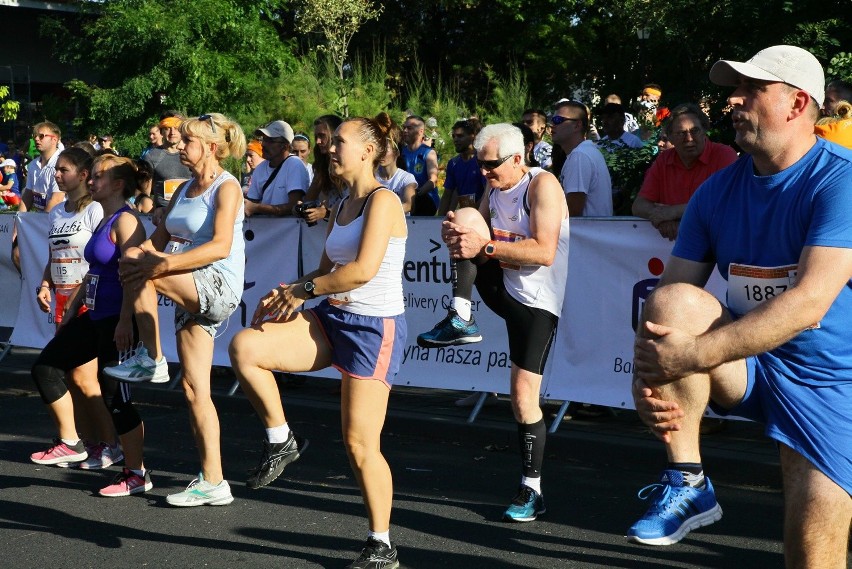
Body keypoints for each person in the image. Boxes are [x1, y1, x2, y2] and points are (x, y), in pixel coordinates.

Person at [628, 46, 852, 568]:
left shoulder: (840, 180)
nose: (733, 100)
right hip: (754, 365)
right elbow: (667, 306)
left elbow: (808, 304)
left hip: (833, 380)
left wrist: (690, 356)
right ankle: (688, 481)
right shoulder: (715, 191)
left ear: (798, 104)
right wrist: (647, 381)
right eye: (734, 89)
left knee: (812, 550)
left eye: (750, 90)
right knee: (674, 301)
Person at [229, 112, 407, 568]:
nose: (329, 149)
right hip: (333, 317)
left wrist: (300, 292)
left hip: (373, 329)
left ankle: (380, 543)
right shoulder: (345, 201)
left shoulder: (383, 201)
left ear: (368, 150)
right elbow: (328, 271)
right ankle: (281, 439)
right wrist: (290, 288)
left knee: (360, 445)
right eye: (330, 144)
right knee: (245, 347)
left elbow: (362, 272)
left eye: (339, 142)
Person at [418, 123, 570, 523]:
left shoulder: (543, 186)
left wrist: (481, 244)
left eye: (491, 165)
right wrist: (456, 233)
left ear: (518, 159)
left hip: (536, 303)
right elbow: (474, 232)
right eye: (481, 164)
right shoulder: (494, 186)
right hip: (500, 284)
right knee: (465, 215)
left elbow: (545, 251)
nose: (484, 172)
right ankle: (460, 317)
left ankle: (531, 489)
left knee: (523, 398)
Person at [103, 113, 247, 507]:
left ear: (211, 148)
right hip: (189, 286)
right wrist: (136, 256)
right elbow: (158, 242)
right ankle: (214, 481)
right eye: (180, 140)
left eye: (188, 142)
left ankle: (152, 358)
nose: (180, 146)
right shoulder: (184, 188)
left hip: (217, 284)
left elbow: (220, 246)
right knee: (194, 389)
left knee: (145, 268)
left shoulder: (227, 186)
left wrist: (157, 264)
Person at [30, 154, 152, 496]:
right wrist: (71, 308)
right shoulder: (103, 218)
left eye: (98, 177)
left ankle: (136, 473)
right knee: (47, 368)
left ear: (117, 184)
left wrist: (127, 320)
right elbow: (94, 270)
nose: (92, 181)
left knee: (117, 399)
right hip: (92, 316)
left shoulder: (127, 221)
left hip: (118, 321)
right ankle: (72, 441)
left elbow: (133, 277)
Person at [30, 147, 119, 469]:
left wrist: (79, 297)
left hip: (88, 299)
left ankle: (110, 444)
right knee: (70, 376)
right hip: (61, 298)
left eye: (63, 170)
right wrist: (45, 285)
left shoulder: (95, 210)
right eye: (56, 170)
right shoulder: (56, 212)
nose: (57, 174)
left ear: (83, 175)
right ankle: (92, 443)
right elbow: (53, 255)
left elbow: (100, 255)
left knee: (84, 379)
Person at [632, 103, 738, 240]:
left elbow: (729, 204)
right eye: (681, 133)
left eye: (695, 131)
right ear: (670, 138)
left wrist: (675, 212)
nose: (689, 139)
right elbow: (639, 206)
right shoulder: (664, 160)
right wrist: (662, 218)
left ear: (705, 131)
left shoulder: (724, 155)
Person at [551, 100, 613, 216]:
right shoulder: (586, 151)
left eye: (558, 120)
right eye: (552, 120)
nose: (552, 125)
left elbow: (572, 210)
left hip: (586, 233)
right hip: (596, 232)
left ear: (577, 125)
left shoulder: (579, 156)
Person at [244, 120, 310, 217]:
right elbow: (250, 204)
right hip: (262, 230)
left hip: (290, 230)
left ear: (285, 146)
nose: (263, 144)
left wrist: (257, 208)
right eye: (264, 139)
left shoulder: (294, 164)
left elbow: (294, 206)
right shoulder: (260, 169)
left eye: (270, 141)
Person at [301, 114, 345, 225]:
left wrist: (326, 213)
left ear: (335, 135)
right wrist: (300, 208)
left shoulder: (349, 163)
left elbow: (355, 206)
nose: (318, 141)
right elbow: (310, 197)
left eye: (322, 136)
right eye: (316, 137)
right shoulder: (322, 164)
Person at [143, 111, 192, 209]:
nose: (172, 132)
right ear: (161, 132)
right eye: (167, 128)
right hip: (162, 214)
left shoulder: (192, 154)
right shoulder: (151, 156)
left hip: (189, 212)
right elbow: (144, 192)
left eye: (176, 128)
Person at [438, 119, 486, 216]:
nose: (455, 139)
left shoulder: (482, 161)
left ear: (473, 136)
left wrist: (474, 213)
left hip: (482, 214)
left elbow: (487, 193)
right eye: (453, 136)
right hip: (463, 214)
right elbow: (447, 195)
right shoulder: (453, 163)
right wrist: (438, 221)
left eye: (460, 136)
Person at [20, 121, 63, 213]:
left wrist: (40, 223)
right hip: (40, 218)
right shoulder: (33, 165)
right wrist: (19, 221)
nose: (36, 139)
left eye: (41, 136)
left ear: (54, 139)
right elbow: (28, 195)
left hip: (58, 220)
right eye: (34, 136)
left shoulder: (62, 165)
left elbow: (57, 199)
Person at [375, 119, 416, 214]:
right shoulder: (373, 177)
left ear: (397, 153)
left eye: (386, 150)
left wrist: (382, 213)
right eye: (380, 149)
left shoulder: (406, 178)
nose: (381, 153)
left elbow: (408, 205)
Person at [401, 115, 440, 216]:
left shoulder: (428, 153)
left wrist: (415, 195)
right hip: (404, 200)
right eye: (404, 127)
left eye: (409, 128)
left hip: (424, 200)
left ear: (421, 131)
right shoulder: (400, 153)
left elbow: (433, 181)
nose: (405, 130)